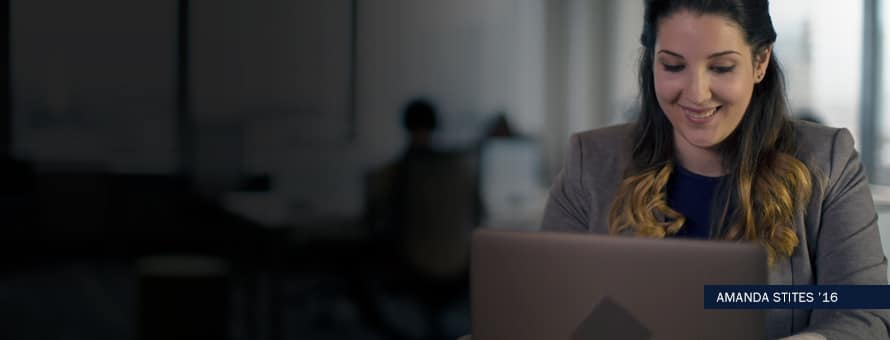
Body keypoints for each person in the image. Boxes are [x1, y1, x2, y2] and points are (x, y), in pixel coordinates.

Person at [542, 0, 890, 339]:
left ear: (760, 61)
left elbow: (863, 310)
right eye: (673, 66)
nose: (696, 93)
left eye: (721, 67)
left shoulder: (830, 160)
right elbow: (546, 307)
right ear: (652, 63)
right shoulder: (589, 162)